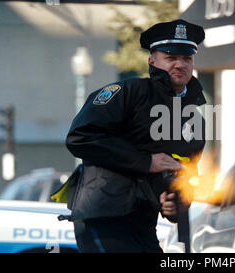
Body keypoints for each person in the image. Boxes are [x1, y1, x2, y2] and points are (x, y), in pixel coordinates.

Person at [64, 19, 206, 253]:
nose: (180, 64)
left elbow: (186, 174)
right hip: (103, 217)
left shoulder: (194, 119)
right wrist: (146, 162)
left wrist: (176, 203)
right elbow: (80, 137)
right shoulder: (126, 93)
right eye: (171, 58)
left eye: (186, 58)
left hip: (144, 223)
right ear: (152, 60)